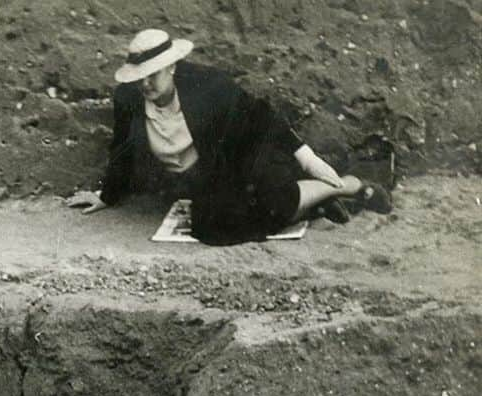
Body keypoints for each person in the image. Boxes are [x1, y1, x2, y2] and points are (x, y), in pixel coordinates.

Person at [65, 27, 392, 244]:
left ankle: (344, 185)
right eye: (140, 78)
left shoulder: (208, 86)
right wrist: (106, 196)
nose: (145, 85)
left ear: (172, 68)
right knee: (211, 228)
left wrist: (308, 159)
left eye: (152, 76)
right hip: (204, 182)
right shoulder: (129, 99)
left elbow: (261, 116)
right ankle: (316, 205)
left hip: (239, 160)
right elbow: (121, 148)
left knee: (245, 210)